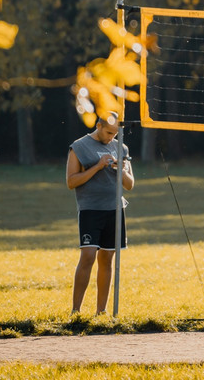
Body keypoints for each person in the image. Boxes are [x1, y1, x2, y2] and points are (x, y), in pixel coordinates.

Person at [66, 113, 135, 315]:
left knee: (107, 259)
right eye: (108, 133)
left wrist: (121, 169)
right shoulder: (79, 146)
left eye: (115, 134)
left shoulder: (121, 147)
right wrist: (97, 166)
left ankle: (101, 311)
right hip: (90, 209)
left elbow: (130, 185)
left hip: (115, 209)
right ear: (98, 126)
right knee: (88, 256)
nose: (111, 138)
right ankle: (76, 311)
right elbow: (71, 182)